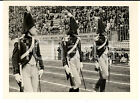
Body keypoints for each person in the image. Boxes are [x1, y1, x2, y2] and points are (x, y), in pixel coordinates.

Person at [12, 7, 44, 92]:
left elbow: (38, 55)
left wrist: (41, 67)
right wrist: (16, 73)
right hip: (24, 69)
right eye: (34, 27)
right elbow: (14, 58)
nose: (36, 29)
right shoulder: (20, 41)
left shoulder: (36, 41)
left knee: (34, 92)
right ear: (28, 29)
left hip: (35, 69)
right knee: (29, 93)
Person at [61, 10, 83, 92]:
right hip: (70, 62)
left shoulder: (78, 39)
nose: (78, 30)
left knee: (75, 86)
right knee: (77, 82)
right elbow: (63, 54)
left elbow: (80, 51)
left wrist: (81, 62)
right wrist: (65, 65)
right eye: (77, 29)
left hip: (77, 62)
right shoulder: (65, 40)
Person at [93, 13, 109, 92]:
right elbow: (95, 50)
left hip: (105, 57)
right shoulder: (97, 39)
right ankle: (96, 86)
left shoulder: (105, 38)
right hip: (100, 58)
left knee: (103, 76)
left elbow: (107, 47)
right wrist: (96, 61)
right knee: (105, 75)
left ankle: (102, 91)